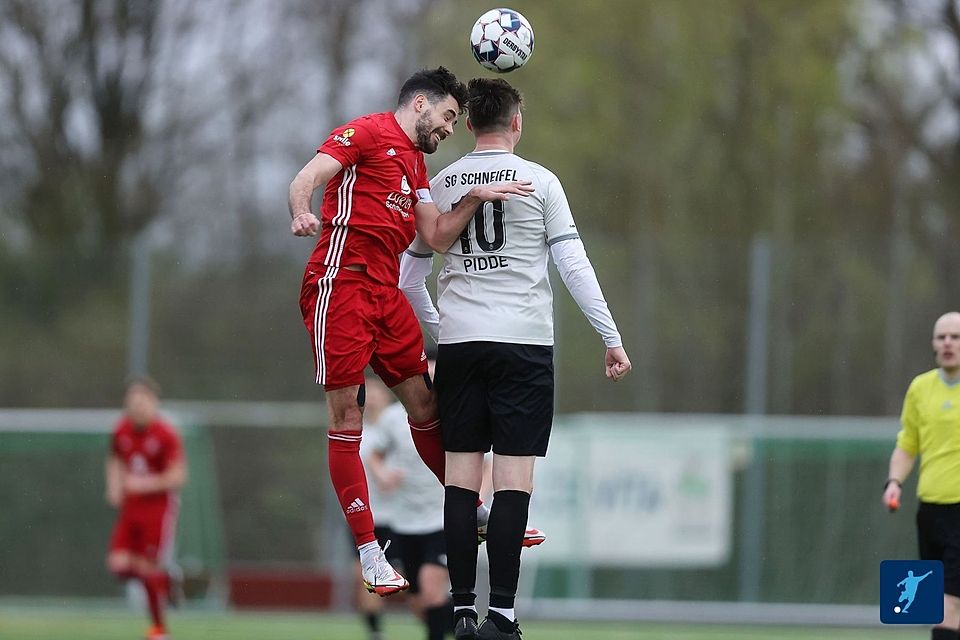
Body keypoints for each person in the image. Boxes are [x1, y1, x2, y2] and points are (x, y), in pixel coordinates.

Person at [288, 66, 535, 597]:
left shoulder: (418, 167)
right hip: (342, 286)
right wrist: (301, 211)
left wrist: (478, 196)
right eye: (447, 116)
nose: (450, 128)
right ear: (419, 103)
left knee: (425, 404)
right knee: (348, 413)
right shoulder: (368, 133)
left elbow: (439, 236)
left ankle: (471, 511)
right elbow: (307, 176)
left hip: (386, 294)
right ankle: (370, 551)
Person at [399, 78, 632, 640]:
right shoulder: (541, 182)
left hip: (461, 345)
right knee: (511, 484)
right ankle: (501, 615)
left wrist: (441, 331)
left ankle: (460, 613)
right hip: (523, 345)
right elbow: (573, 267)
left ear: (471, 124)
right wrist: (610, 336)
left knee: (459, 482)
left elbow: (410, 277)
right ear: (516, 124)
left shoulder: (441, 183)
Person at [884, 311, 960, 640]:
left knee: (947, 605)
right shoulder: (920, 388)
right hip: (929, 509)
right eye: (941, 336)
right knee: (934, 606)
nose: (948, 343)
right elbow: (907, 445)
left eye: (955, 337)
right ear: (932, 343)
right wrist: (893, 483)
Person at [367, 358, 453, 640]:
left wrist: (477, 498)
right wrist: (383, 476)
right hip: (404, 521)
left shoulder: (455, 414)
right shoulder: (394, 418)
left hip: (442, 519)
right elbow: (375, 456)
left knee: (431, 589)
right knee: (418, 602)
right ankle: (464, 623)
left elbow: (485, 464)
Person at [105, 377, 187, 640]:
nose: (138, 406)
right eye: (133, 401)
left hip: (158, 509)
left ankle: (159, 630)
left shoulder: (166, 434)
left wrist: (145, 484)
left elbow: (178, 476)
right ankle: (167, 582)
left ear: (154, 403)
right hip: (131, 509)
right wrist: (114, 486)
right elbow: (115, 459)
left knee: (147, 569)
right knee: (118, 565)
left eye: (143, 401)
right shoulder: (121, 431)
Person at [353, 375, 400, 640]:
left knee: (422, 591)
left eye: (375, 390)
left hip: (400, 519)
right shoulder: (355, 431)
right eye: (365, 391)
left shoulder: (401, 425)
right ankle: (376, 633)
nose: (370, 396)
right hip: (368, 520)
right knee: (364, 584)